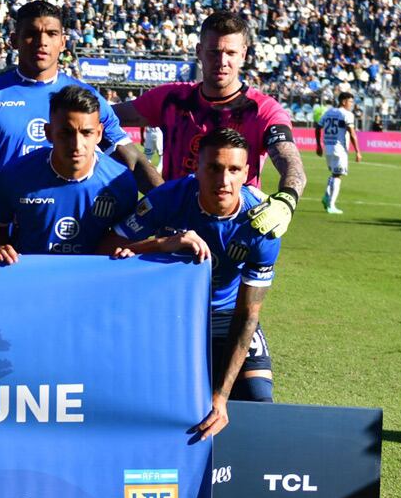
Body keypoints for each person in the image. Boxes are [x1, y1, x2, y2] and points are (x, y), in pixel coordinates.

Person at [104, 128, 283, 438]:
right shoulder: (168, 199)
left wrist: (221, 396)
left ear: (247, 174)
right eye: (213, 168)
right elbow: (106, 249)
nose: (223, 180)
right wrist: (162, 243)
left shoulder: (261, 225)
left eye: (234, 170)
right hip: (169, 317)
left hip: (227, 316)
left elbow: (247, 315)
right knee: (153, 403)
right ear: (196, 169)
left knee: (258, 403)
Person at [113, 11, 306, 239]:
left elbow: (290, 161)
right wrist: (137, 164)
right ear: (199, 52)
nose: (222, 61)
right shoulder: (171, 98)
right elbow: (104, 118)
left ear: (243, 54)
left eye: (231, 53)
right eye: (214, 52)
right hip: (173, 237)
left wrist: (286, 200)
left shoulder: (263, 110)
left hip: (234, 240)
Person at [0, 0, 157, 190]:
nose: (42, 42)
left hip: (70, 223)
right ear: (14, 40)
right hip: (3, 225)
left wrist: (171, 208)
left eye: (51, 33)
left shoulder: (86, 97)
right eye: (32, 33)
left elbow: (132, 160)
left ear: (63, 42)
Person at [0, 85, 138, 263]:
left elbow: (126, 239)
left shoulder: (120, 182)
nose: (76, 144)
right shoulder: (15, 175)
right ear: (48, 133)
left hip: (91, 283)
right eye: (66, 133)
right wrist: (2, 249)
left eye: (86, 133)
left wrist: (127, 251)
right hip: (30, 282)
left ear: (99, 134)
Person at [315, 92, 362, 214]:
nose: (352, 104)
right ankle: (331, 205)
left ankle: (326, 197)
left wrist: (319, 145)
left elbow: (318, 127)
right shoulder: (346, 114)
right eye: (350, 101)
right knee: (337, 176)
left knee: (334, 174)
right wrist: (358, 151)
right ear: (343, 101)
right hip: (339, 149)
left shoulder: (328, 112)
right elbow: (352, 133)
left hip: (328, 148)